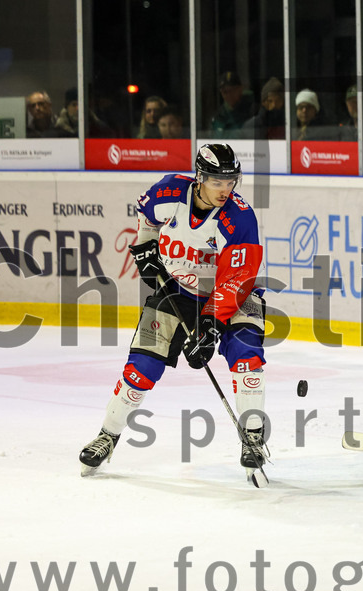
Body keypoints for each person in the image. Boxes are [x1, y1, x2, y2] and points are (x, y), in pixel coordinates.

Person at [78, 144, 269, 480]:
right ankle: (107, 435)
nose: (225, 189)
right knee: (142, 366)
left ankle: (252, 437)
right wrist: (145, 246)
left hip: (236, 296)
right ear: (200, 177)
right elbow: (146, 214)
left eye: (231, 182)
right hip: (177, 290)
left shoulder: (239, 218)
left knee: (246, 354)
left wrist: (209, 327)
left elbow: (238, 279)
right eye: (217, 182)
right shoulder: (168, 191)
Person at [210, 71, 254, 139]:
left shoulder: (252, 113)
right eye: (225, 92)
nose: (229, 95)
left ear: (240, 89)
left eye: (232, 90)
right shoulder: (217, 117)